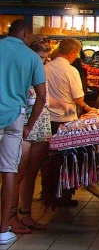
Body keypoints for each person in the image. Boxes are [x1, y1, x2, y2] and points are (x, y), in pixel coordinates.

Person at [0, 20, 47, 244]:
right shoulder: (31, 57)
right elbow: (42, 96)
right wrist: (29, 125)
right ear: (26, 33)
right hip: (14, 119)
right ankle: (3, 230)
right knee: (10, 171)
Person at [44, 38, 95, 208]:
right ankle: (64, 195)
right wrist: (89, 108)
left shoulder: (46, 68)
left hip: (48, 120)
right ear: (72, 53)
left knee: (50, 160)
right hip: (67, 122)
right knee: (68, 161)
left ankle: (48, 194)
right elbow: (78, 98)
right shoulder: (71, 70)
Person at [10, 41, 53, 233]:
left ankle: (26, 213)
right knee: (17, 173)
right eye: (40, 58)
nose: (42, 62)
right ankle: (11, 216)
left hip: (41, 125)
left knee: (32, 173)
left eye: (44, 58)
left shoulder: (42, 73)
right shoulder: (20, 73)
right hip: (25, 125)